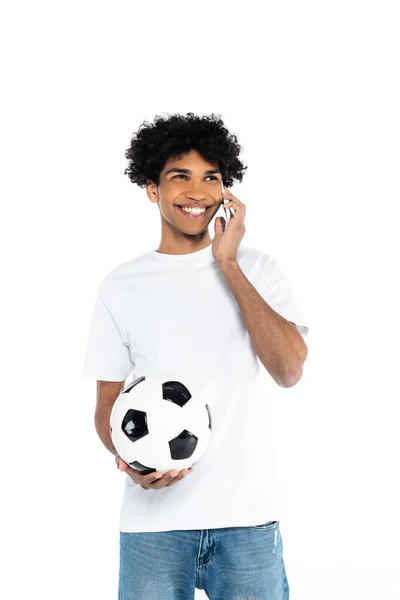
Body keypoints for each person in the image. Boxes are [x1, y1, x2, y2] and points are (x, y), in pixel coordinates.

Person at [82, 112, 309, 600]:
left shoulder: (259, 270)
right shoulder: (120, 287)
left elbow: (289, 370)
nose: (197, 191)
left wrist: (226, 263)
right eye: (179, 176)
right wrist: (130, 461)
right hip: (154, 528)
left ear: (227, 190)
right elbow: (107, 405)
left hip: (246, 519)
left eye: (211, 177)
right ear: (151, 188)